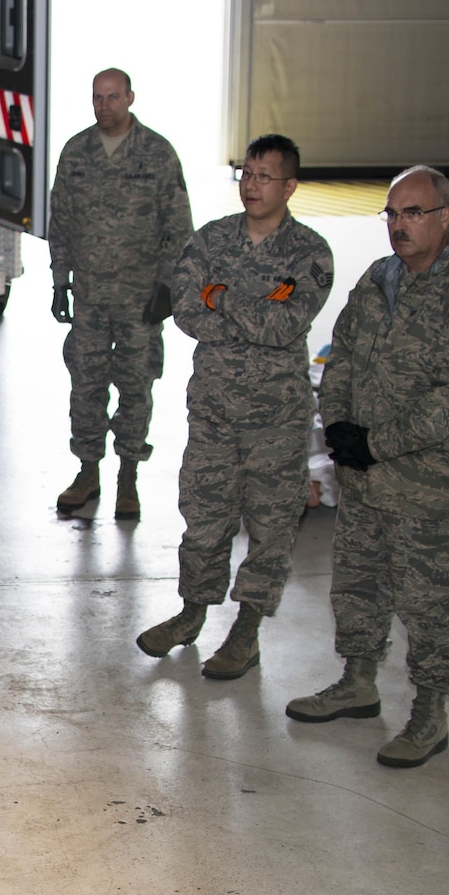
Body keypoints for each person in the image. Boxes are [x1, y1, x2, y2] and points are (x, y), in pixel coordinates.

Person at [288, 165, 449, 767]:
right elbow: (339, 354)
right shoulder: (378, 280)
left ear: (445, 216)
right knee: (357, 584)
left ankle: (431, 712)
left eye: (413, 213)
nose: (399, 225)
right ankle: (358, 682)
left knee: (425, 602)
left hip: (425, 488)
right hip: (363, 477)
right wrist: (336, 423)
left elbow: (447, 405)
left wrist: (374, 443)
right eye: (391, 213)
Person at [137, 134, 334, 679]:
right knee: (203, 520)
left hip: (276, 419)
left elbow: (286, 324)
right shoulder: (211, 239)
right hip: (214, 411)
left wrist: (220, 295)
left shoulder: (310, 254)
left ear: (289, 186)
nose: (251, 184)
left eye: (263, 176)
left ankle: (246, 633)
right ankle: (191, 614)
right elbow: (183, 307)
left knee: (270, 528)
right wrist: (246, 306)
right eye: (246, 173)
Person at [48, 68, 193, 520]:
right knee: (85, 386)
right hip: (90, 297)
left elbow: (178, 227)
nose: (104, 105)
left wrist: (168, 287)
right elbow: (61, 222)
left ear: (130, 97)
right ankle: (87, 472)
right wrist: (59, 281)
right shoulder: (76, 152)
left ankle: (127, 476)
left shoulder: (157, 153)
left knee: (135, 387)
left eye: (112, 97)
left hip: (139, 300)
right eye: (97, 98)